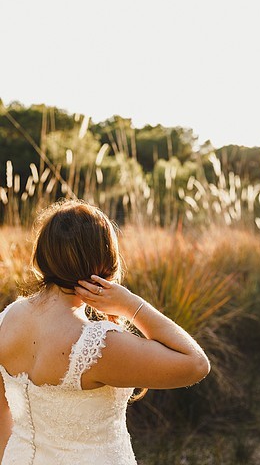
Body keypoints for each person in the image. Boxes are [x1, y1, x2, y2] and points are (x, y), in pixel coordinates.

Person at [0, 199, 210, 465]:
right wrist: (131, 305)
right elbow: (196, 364)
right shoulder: (94, 346)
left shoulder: (7, 319)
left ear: (42, 256)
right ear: (104, 263)